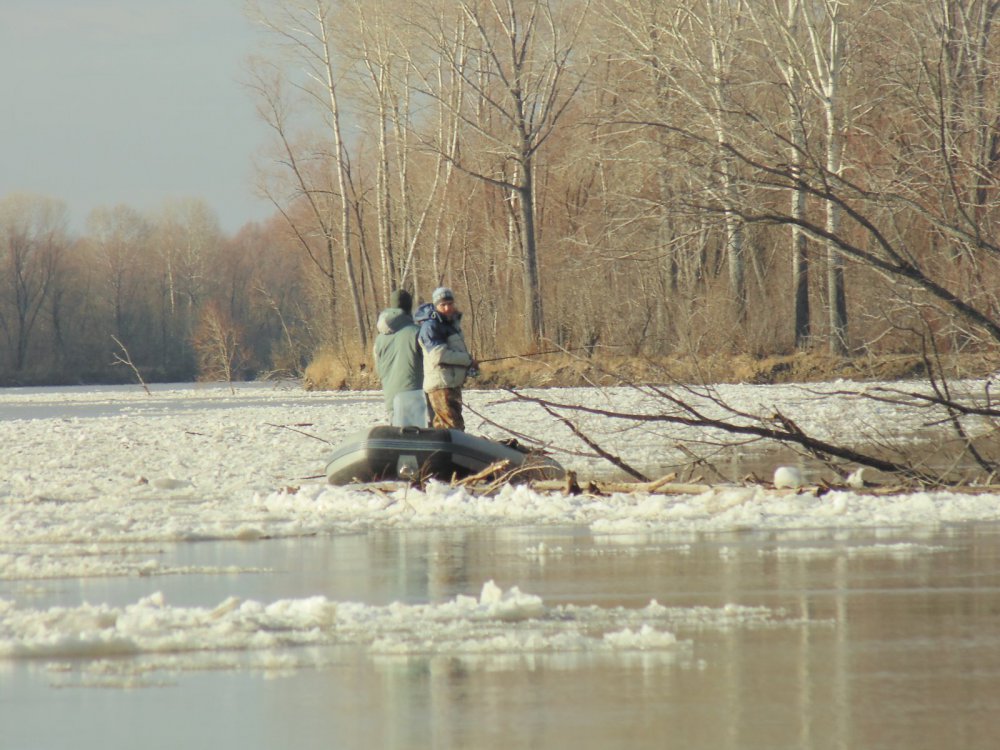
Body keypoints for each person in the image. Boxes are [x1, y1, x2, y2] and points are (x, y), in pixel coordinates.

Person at [414, 286, 476, 430]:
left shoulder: (450, 325)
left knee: (454, 426)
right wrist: (467, 360)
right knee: (450, 428)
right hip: (440, 385)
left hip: (451, 384)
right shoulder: (431, 326)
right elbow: (439, 355)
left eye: (450, 304)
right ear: (436, 306)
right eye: (443, 305)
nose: (447, 308)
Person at [373, 289, 423, 423]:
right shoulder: (417, 333)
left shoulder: (380, 338)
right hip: (414, 399)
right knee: (415, 440)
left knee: (398, 440)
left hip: (391, 399)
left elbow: (379, 371)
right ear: (409, 307)